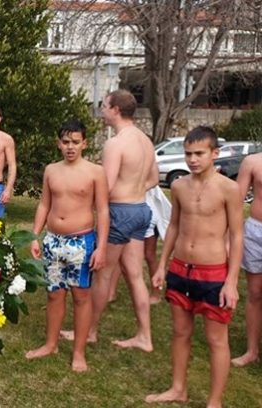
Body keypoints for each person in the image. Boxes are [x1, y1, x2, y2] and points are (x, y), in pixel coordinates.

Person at [146, 126, 242, 407]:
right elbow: (174, 226)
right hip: (180, 269)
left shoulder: (229, 189)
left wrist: (232, 281)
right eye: (188, 154)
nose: (192, 159)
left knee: (216, 340)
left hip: (213, 273)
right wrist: (162, 265)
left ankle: (214, 401)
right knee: (180, 332)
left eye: (199, 153)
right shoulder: (178, 186)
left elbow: (236, 236)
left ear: (215, 153)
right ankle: (178, 388)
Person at [71, 90, 158, 352]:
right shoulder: (145, 140)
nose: (102, 110)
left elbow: (105, 187)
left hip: (120, 212)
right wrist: (133, 189)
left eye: (105, 106)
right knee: (135, 275)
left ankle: (89, 331)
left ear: (116, 110)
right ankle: (145, 336)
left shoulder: (116, 144)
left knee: (103, 274)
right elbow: (154, 178)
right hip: (141, 209)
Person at [24, 120, 109, 372]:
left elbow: (103, 210)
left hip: (81, 242)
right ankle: (51, 344)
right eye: (65, 142)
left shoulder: (95, 172)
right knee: (54, 293)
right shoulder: (51, 170)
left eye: (75, 142)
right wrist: (34, 235)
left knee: (81, 296)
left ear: (85, 143)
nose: (70, 147)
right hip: (53, 240)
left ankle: (79, 353)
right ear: (58, 144)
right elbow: (44, 204)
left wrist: (101, 247)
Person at [231, 146, 262, 367]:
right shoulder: (253, 162)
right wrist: (228, 236)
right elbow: (236, 201)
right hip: (255, 231)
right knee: (255, 293)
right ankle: (252, 350)